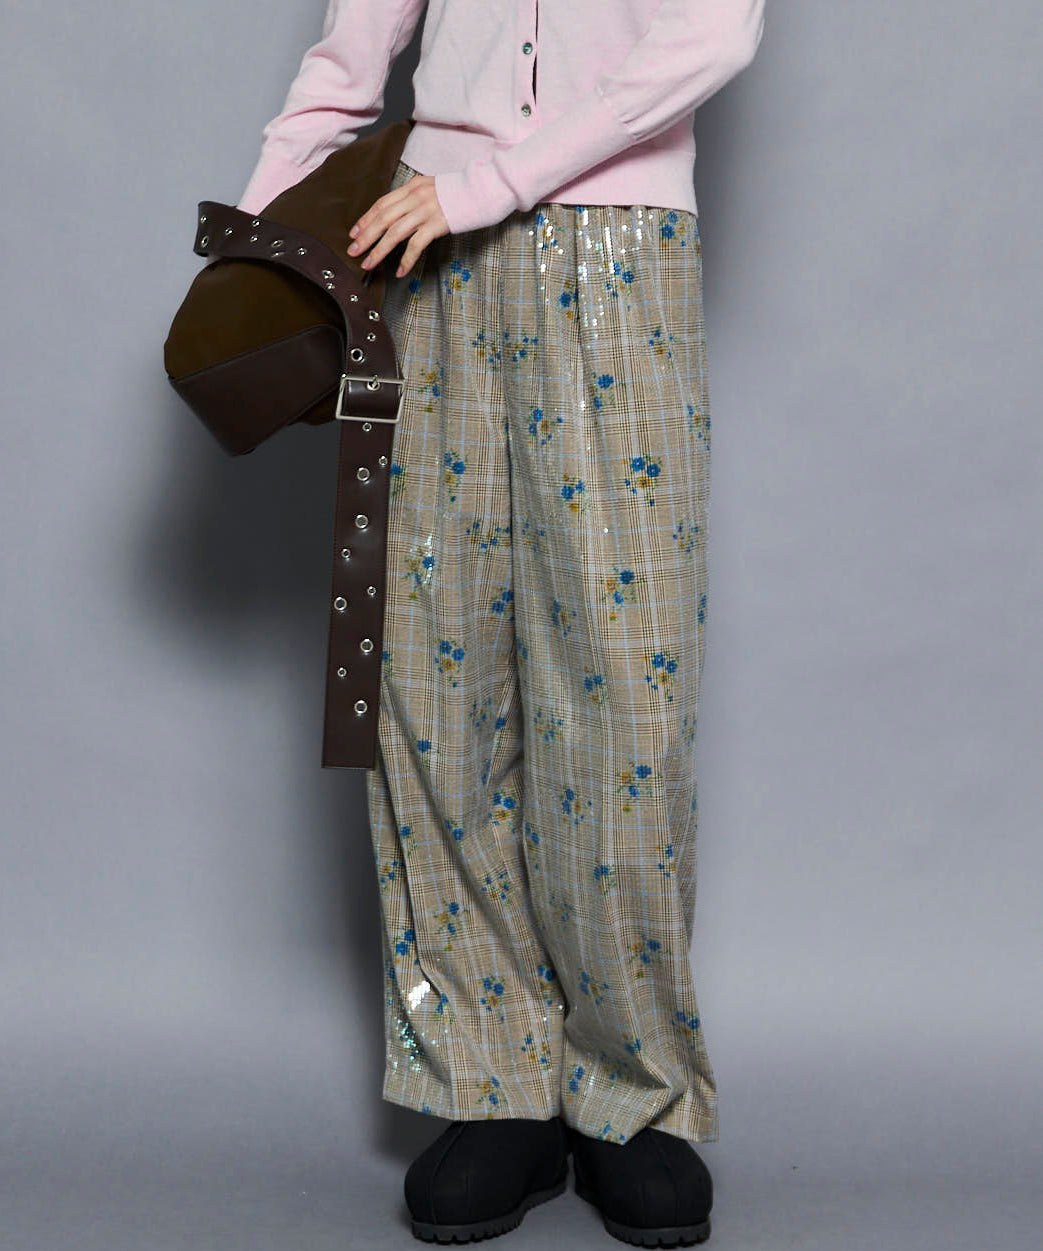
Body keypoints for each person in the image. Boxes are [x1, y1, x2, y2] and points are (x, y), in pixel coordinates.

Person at [236, 1, 765, 1244]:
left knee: (623, 681)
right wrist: (257, 259)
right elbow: (348, 59)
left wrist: (490, 186)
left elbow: (712, 36)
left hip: (616, 234)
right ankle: (489, 1085)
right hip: (420, 250)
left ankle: (630, 1093)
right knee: (431, 667)